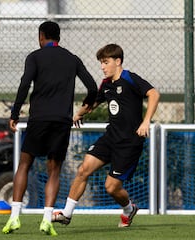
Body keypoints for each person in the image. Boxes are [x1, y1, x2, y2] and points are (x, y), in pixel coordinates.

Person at [2, 21, 98, 236]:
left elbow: (25, 84)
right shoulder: (72, 59)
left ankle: (14, 217)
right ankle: (47, 220)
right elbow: (92, 86)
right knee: (54, 171)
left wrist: (15, 113)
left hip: (39, 119)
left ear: (41, 36)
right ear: (59, 38)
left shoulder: (35, 57)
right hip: (62, 120)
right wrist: (87, 106)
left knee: (24, 165)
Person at [52, 43, 160, 228]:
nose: (102, 67)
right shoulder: (107, 85)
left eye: (105, 62)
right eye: (101, 63)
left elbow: (154, 94)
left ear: (118, 61)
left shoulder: (130, 78)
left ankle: (128, 209)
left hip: (129, 142)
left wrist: (146, 121)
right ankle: (67, 214)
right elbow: (94, 102)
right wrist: (79, 113)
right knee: (83, 169)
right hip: (111, 138)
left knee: (111, 187)